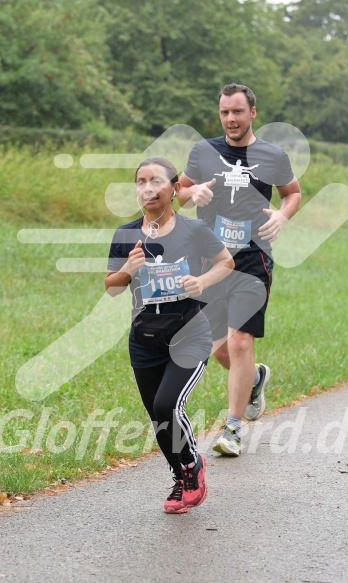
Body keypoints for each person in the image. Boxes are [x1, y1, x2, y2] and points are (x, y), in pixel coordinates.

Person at [177, 83, 301, 456]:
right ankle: (255, 379)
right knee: (219, 349)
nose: (230, 119)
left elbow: (292, 192)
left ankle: (232, 429)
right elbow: (177, 192)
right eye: (224, 113)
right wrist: (191, 193)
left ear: (252, 113)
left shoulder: (273, 155)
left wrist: (282, 214)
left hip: (253, 259)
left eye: (237, 112)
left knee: (241, 341)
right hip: (210, 261)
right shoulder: (203, 150)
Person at [105, 156, 234, 513]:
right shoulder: (126, 234)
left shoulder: (193, 231)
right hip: (144, 342)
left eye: (156, 181)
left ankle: (192, 466)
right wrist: (128, 270)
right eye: (141, 182)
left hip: (189, 335)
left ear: (175, 188)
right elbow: (111, 287)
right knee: (159, 418)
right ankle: (180, 476)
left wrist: (202, 281)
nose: (148, 189)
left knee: (167, 404)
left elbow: (226, 262)